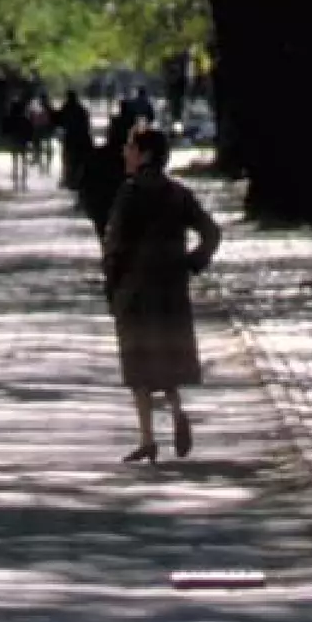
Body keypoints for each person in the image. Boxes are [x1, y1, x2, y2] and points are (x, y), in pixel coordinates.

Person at [101, 128, 221, 463]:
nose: (125, 153)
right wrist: (191, 263)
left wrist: (111, 286)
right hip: (170, 289)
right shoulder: (178, 194)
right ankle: (178, 411)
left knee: (138, 364)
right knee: (166, 357)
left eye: (131, 147)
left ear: (146, 154)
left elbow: (114, 246)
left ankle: (148, 438)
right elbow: (211, 232)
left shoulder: (129, 194)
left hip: (135, 290)